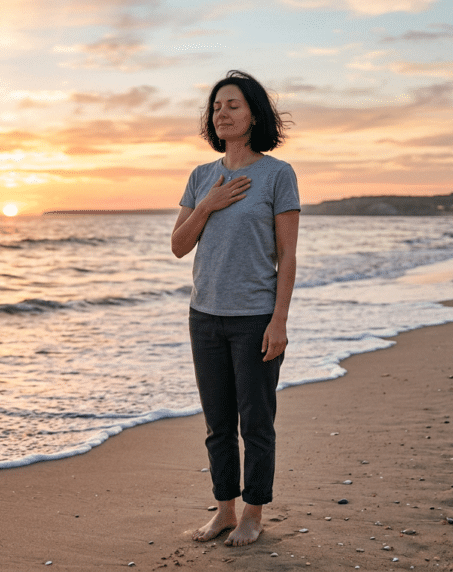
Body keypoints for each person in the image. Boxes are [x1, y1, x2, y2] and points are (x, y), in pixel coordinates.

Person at [171, 70, 300, 547]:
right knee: (218, 424)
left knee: (256, 423)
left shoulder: (277, 174)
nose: (222, 114)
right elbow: (179, 246)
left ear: (253, 115)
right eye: (216, 107)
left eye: (233, 106)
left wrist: (279, 322)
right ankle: (223, 509)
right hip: (204, 317)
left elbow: (287, 255)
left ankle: (253, 513)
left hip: (254, 319)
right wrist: (208, 203)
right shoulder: (202, 177)